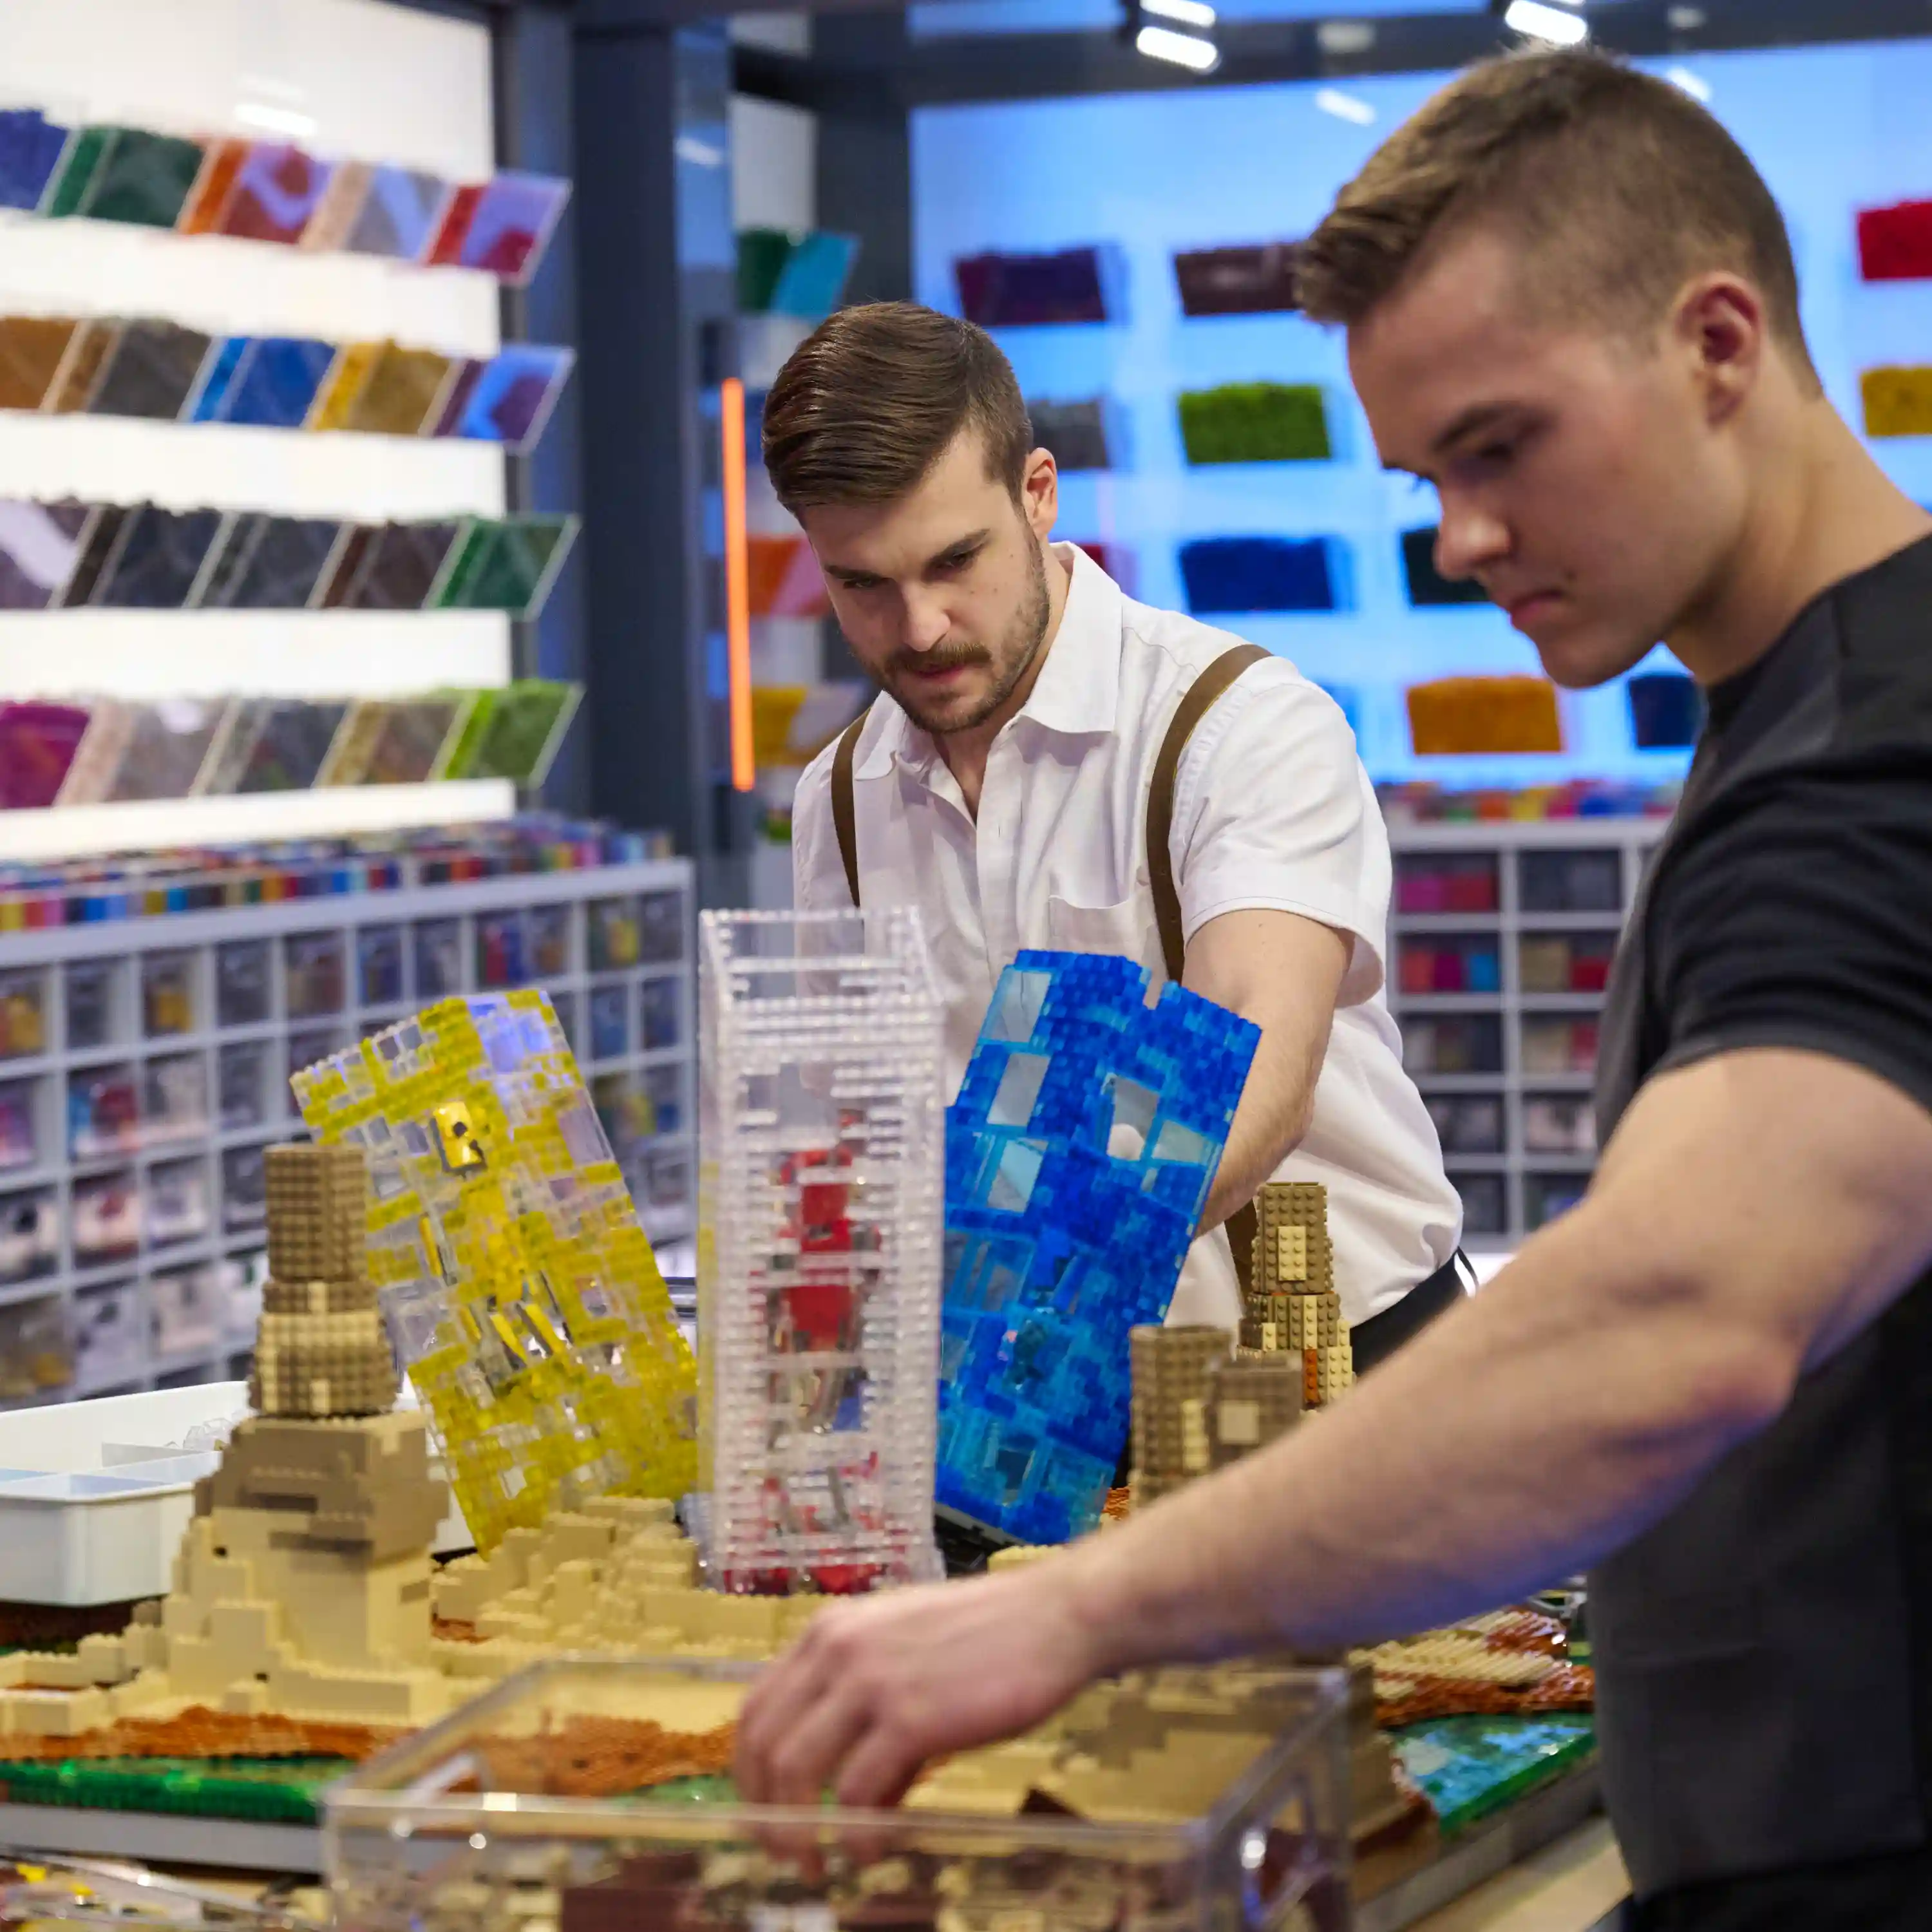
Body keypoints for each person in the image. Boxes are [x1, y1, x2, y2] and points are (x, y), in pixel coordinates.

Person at [737, 49, 1932, 1931]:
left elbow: (1678, 1315)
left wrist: (1071, 1604)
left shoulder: (1874, 765)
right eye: (1426, 474)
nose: (1457, 540)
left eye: (1503, 446)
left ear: (1721, 345)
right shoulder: (1792, 731)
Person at [768, 300, 1464, 1367]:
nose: (918, 629)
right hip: (1036, 1388)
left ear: (1039, 494)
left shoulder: (1240, 724)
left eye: (956, 561)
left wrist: (1000, 1265)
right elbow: (865, 1126)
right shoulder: (838, 800)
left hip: (1345, 1366)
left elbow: (1253, 1072)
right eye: (862, 584)